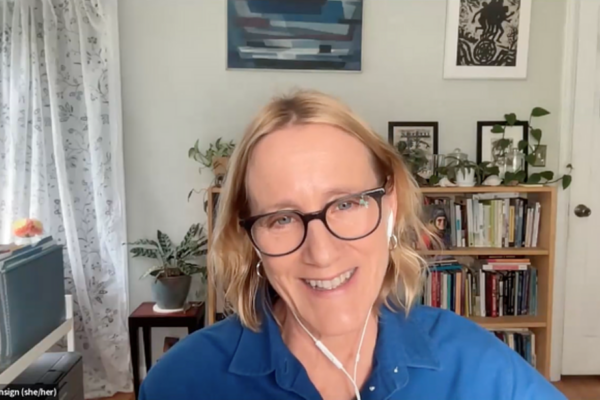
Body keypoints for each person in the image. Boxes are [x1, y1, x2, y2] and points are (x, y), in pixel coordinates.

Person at [139, 90, 566, 400]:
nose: (321, 253)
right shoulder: (184, 383)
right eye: (281, 218)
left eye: (346, 204)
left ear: (391, 207)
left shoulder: (474, 365)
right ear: (250, 238)